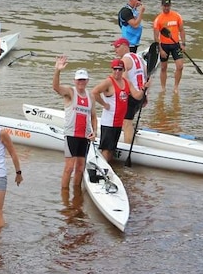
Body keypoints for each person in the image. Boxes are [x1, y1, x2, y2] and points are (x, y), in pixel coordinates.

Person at [52, 57, 97, 190]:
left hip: (85, 136)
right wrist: (57, 71)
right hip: (71, 134)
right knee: (69, 167)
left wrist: (95, 132)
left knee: (80, 168)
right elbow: (56, 87)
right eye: (79, 80)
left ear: (87, 81)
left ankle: (76, 196)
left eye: (83, 80)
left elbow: (93, 116)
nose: (81, 82)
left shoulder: (91, 97)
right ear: (75, 81)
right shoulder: (71, 92)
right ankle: (65, 197)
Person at [91, 58, 146, 162]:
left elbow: (137, 96)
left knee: (112, 149)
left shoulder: (127, 82)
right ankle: (102, 169)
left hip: (118, 122)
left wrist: (143, 89)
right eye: (115, 69)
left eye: (120, 69)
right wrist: (104, 104)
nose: (117, 71)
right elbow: (94, 92)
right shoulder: (108, 82)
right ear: (112, 69)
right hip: (109, 122)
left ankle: (108, 168)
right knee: (106, 149)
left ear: (123, 70)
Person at [112, 36, 148, 144]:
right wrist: (145, 95)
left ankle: (128, 147)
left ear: (124, 46)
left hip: (132, 96)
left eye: (117, 47)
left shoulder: (124, 61)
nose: (115, 50)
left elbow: (121, 81)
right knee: (129, 121)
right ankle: (130, 135)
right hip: (141, 94)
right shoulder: (139, 58)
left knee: (126, 123)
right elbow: (146, 76)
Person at [153, 0, 186, 94]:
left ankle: (176, 88)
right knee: (163, 68)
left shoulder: (177, 16)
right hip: (164, 46)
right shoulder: (158, 19)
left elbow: (182, 30)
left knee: (180, 66)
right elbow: (156, 37)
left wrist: (183, 44)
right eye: (164, 6)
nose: (166, 8)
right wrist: (161, 50)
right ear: (161, 6)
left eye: (168, 6)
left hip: (176, 45)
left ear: (170, 5)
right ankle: (163, 88)